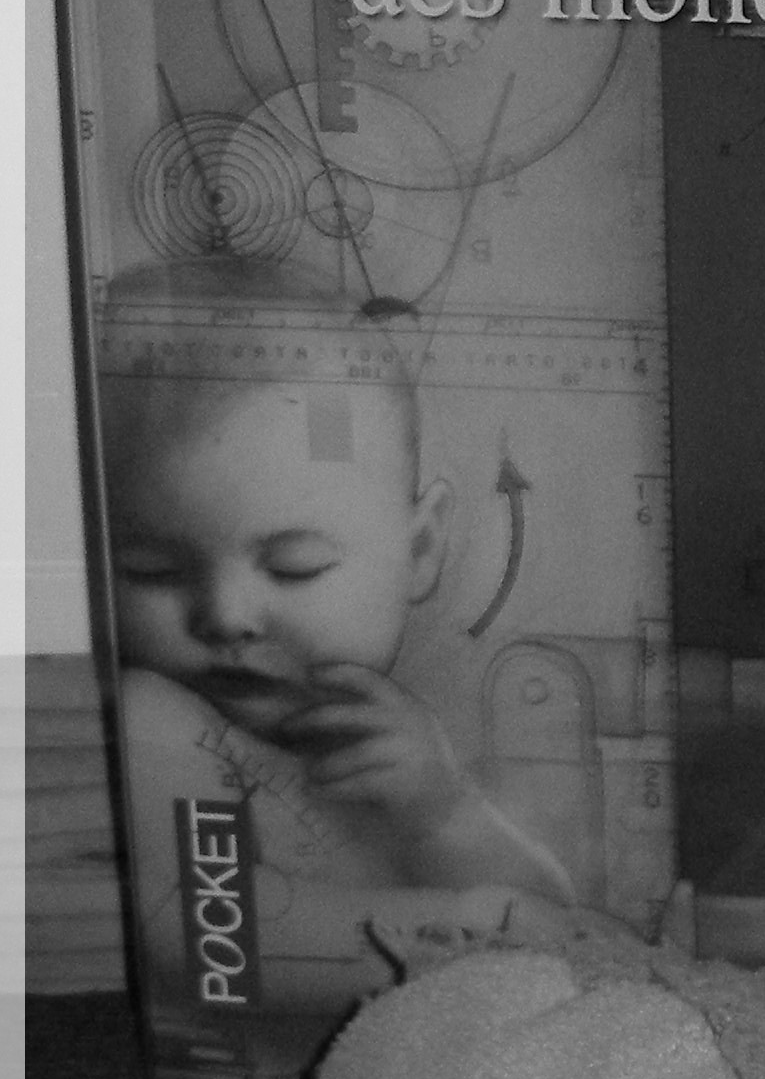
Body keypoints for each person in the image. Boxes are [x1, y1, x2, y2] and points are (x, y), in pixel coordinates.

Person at [100, 285, 574, 1014]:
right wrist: (474, 930)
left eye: (295, 567)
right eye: (154, 571)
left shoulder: (395, 733)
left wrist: (444, 813)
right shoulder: (156, 722)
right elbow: (211, 938)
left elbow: (561, 925)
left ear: (420, 549)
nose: (225, 617)